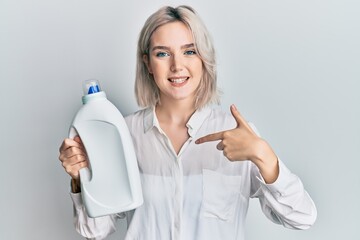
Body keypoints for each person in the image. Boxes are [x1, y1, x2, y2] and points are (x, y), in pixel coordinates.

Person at [59, 5, 317, 240]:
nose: (177, 65)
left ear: (203, 59)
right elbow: (93, 230)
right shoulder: (124, 134)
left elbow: (302, 218)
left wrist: (264, 156)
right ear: (147, 62)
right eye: (162, 54)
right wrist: (79, 178)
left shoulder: (238, 134)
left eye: (189, 51)